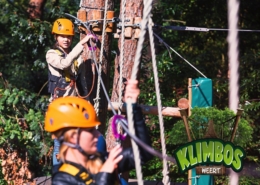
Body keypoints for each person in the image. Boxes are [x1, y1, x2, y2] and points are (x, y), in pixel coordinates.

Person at [44, 79, 153, 185]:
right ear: (73, 137)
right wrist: (105, 175)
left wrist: (133, 108)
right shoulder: (62, 180)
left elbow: (144, 152)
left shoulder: (102, 160)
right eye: (91, 131)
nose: (98, 135)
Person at [46, 18, 97, 174]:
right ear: (56, 37)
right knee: (59, 145)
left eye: (68, 37)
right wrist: (81, 45)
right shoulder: (51, 54)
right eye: (62, 36)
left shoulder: (76, 59)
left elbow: (81, 84)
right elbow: (64, 64)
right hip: (59, 108)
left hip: (74, 108)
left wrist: (88, 104)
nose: (66, 40)